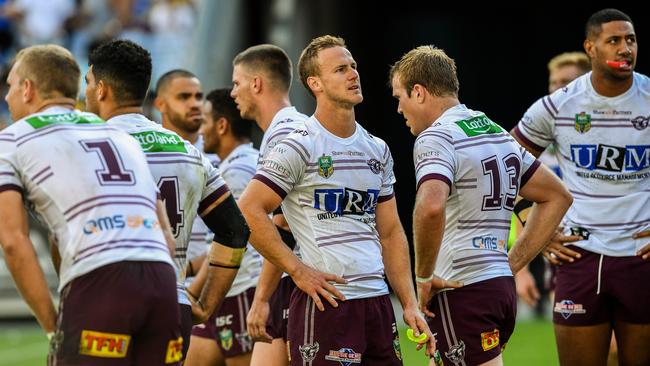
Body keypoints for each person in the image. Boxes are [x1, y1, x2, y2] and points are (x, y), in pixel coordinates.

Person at [238, 35, 434, 365]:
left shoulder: (377, 149)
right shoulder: (298, 145)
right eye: (340, 69)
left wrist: (410, 303)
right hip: (327, 305)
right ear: (314, 83)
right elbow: (248, 209)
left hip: (377, 303)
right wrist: (297, 271)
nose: (353, 74)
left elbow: (390, 232)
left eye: (353, 66)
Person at [389, 45, 573, 365]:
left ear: (418, 92)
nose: (399, 109)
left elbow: (431, 207)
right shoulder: (495, 131)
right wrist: (509, 265)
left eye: (399, 97)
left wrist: (422, 277)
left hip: (460, 289)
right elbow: (557, 196)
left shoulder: (437, 137)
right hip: (497, 288)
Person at [0, 44, 182, 365]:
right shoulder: (119, 136)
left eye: (11, 86)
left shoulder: (11, 140)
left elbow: (14, 241)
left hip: (99, 282)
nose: (6, 96)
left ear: (27, 89)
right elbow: (166, 235)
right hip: (162, 280)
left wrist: (51, 324)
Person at [84, 39, 249, 360]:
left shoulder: (88, 145)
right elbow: (236, 231)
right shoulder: (189, 151)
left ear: (102, 89)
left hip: (106, 298)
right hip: (171, 302)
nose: (86, 91)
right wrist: (207, 303)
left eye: (88, 83)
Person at [511, 9, 650, 366]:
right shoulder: (559, 105)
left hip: (641, 259)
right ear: (590, 47)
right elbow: (507, 166)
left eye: (630, 40)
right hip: (580, 257)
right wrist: (534, 227)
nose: (624, 49)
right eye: (614, 41)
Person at [230, 43, 308, 366]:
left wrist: (261, 297)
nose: (233, 92)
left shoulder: (285, 134)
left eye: (236, 83)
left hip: (299, 279)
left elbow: (282, 225)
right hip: (292, 277)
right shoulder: (286, 129)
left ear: (256, 84)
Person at [185, 88, 262, 366]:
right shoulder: (243, 162)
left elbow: (234, 242)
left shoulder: (236, 172)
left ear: (221, 125)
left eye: (204, 121)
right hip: (228, 289)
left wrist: (192, 291)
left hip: (242, 289)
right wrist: (188, 269)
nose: (200, 129)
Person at [513, 51, 590, 312]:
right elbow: (514, 193)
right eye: (553, 83)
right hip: (567, 255)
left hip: (623, 249)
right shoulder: (538, 144)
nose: (558, 90)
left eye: (566, 83)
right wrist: (520, 269)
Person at [154, 69, 221, 283]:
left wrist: (189, 271)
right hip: (161, 284)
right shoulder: (145, 154)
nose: (195, 104)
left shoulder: (220, 158)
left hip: (212, 288)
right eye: (184, 97)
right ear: (160, 104)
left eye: (198, 96)